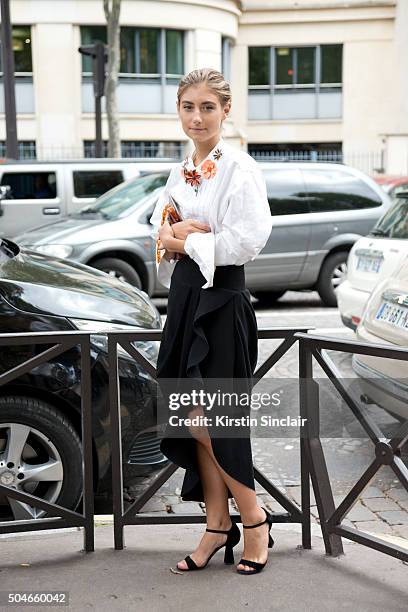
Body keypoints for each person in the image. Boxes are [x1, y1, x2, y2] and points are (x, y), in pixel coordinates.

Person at [149, 68, 273, 575]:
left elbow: (245, 242)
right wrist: (172, 231)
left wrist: (182, 242)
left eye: (207, 107)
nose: (196, 117)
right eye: (188, 107)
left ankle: (255, 520)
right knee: (192, 421)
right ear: (178, 111)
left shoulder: (240, 169)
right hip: (183, 303)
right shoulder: (181, 169)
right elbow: (159, 224)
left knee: (217, 423)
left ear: (226, 111)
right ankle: (217, 526)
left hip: (221, 305)